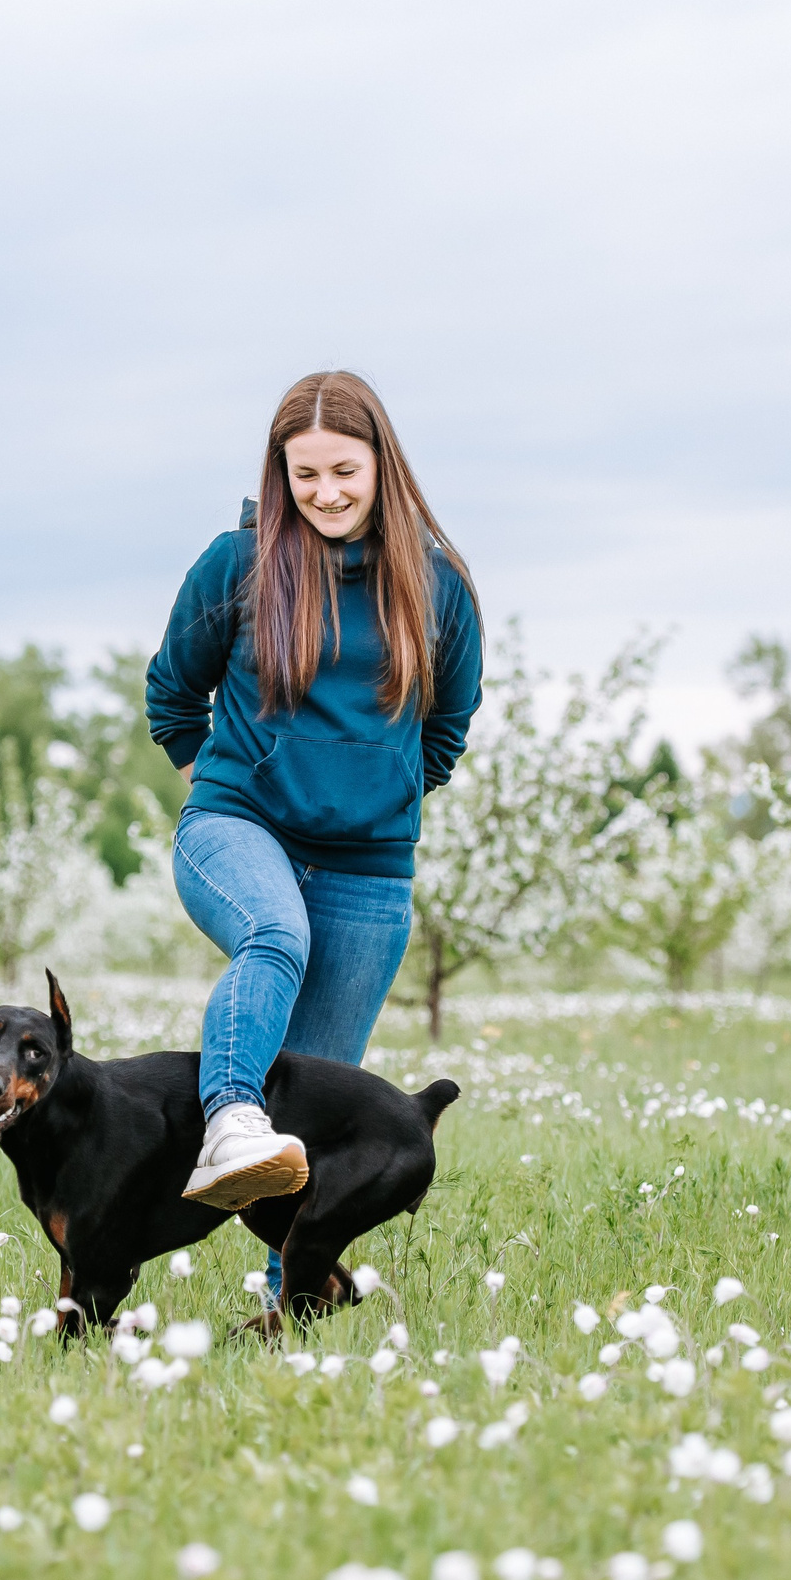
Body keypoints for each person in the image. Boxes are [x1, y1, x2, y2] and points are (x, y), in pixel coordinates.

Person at [144, 371, 483, 1218]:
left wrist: (386, 792)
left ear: (382, 465)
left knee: (319, 1089)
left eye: (344, 471)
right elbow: (171, 695)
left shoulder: (440, 589)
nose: (325, 493)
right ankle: (228, 1120)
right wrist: (230, 782)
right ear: (280, 475)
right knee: (273, 930)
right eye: (305, 475)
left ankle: (285, 1299)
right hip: (237, 825)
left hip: (369, 860)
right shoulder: (239, 566)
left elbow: (445, 728)